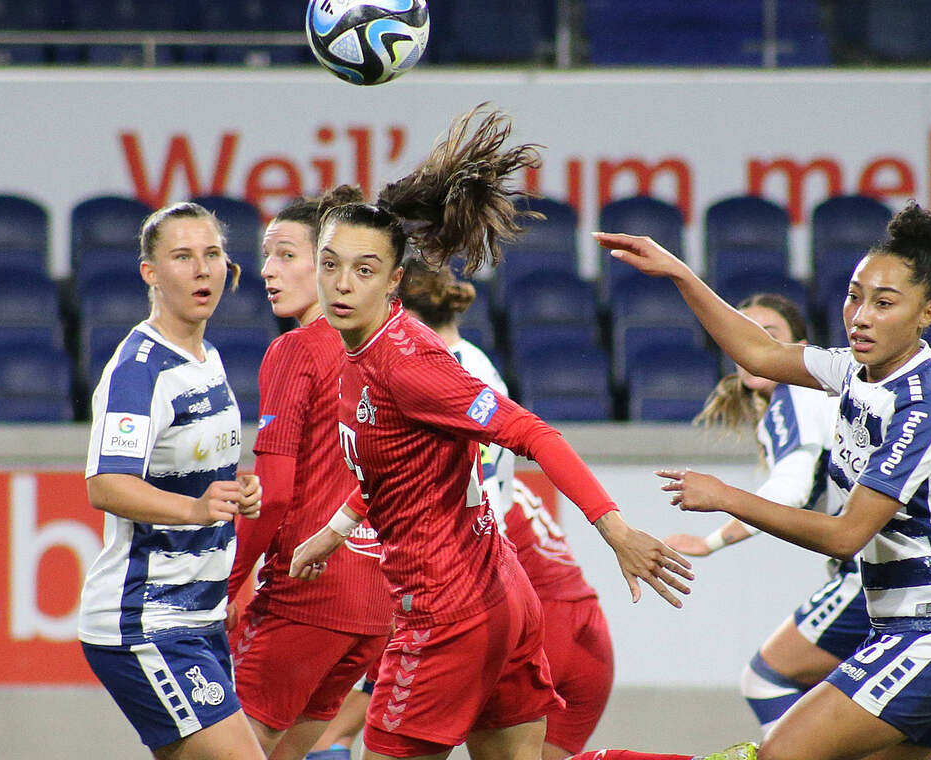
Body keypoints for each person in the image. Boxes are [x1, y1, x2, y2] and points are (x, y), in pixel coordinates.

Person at [287, 104, 693, 760]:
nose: (340, 283)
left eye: (363, 270)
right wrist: (332, 535)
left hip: (446, 614)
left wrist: (615, 529)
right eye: (330, 263)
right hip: (501, 599)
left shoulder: (409, 363)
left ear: (395, 281)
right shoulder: (355, 354)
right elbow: (392, 467)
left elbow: (534, 432)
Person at [583, 201, 931, 760]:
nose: (860, 315)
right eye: (855, 296)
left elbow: (844, 536)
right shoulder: (852, 370)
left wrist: (728, 498)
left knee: (778, 751)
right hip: (899, 624)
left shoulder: (924, 407)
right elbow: (757, 350)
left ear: (926, 314)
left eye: (885, 303)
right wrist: (681, 274)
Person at [402, 262, 615, 759]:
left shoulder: (432, 374)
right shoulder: (476, 362)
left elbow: (477, 492)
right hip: (567, 620)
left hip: (501, 600)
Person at [78, 201, 266, 760]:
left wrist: (236, 493)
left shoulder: (206, 358)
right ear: (150, 274)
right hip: (146, 620)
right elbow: (106, 485)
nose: (202, 269)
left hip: (200, 615)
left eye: (211, 255)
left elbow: (198, 477)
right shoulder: (139, 370)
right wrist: (196, 509)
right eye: (182, 257)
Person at [227, 197, 392, 760]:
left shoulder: (296, 351)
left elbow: (271, 498)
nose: (267, 270)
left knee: (224, 750)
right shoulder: (388, 348)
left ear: (327, 265)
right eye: (266, 256)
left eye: (286, 254)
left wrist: (227, 584)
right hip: (376, 604)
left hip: (309, 593)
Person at [666, 293, 863, 739]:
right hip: (901, 572)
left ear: (798, 349)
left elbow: (789, 490)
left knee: (765, 678)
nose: (751, 345)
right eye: (743, 334)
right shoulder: (822, 397)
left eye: (768, 335)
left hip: (868, 576)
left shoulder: (794, 393)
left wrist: (712, 539)